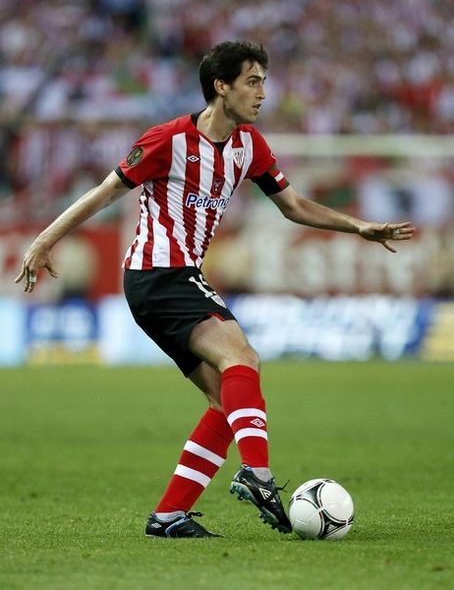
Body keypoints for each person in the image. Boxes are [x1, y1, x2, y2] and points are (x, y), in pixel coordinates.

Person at [15, 41, 415, 538]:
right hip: (158, 273)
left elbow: (294, 206)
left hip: (176, 278)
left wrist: (358, 226)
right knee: (241, 357)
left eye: (264, 82)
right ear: (220, 86)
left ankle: (168, 517)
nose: (262, 93)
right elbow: (105, 192)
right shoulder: (168, 139)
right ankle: (257, 473)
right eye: (252, 81)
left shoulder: (250, 145)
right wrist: (44, 240)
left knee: (227, 402)